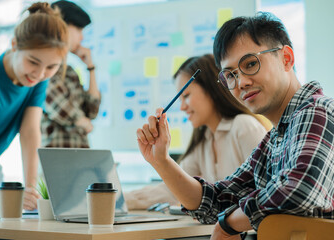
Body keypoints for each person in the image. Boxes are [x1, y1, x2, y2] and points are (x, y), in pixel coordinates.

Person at [136, 12, 334, 240]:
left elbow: (300, 190)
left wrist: (228, 225)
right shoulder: (274, 139)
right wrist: (161, 160)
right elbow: (218, 200)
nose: (241, 83)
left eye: (251, 64)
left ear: (286, 59)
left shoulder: (318, 111)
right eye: (230, 75)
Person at [125, 54, 269, 210]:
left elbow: (267, 192)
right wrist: (117, 200)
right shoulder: (204, 141)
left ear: (211, 89)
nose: (182, 107)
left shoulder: (243, 126)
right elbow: (172, 189)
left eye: (186, 96)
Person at [0, 2, 69, 210]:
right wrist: (6, 199)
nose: (40, 73)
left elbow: (29, 131)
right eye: (33, 62)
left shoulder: (37, 80)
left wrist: (31, 189)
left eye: (52, 67)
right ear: (15, 44)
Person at [41, 0, 101, 148]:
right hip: (56, 157)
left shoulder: (70, 72)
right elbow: (59, 106)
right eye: (79, 30)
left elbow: (92, 111)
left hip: (80, 154)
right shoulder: (44, 66)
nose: (82, 38)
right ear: (63, 27)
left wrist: (90, 68)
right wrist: (81, 121)